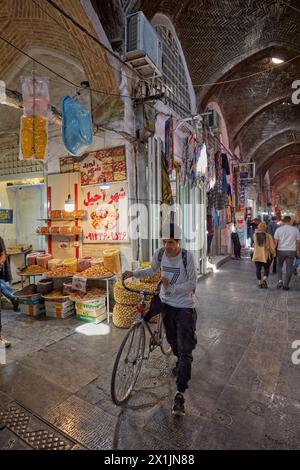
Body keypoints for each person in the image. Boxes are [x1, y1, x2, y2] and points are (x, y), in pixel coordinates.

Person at [123, 222, 197, 417]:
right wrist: (133, 273)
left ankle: (180, 394)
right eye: (164, 241)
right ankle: (178, 360)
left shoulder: (186, 257)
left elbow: (192, 283)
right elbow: (151, 270)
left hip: (183, 307)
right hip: (165, 303)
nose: (167, 246)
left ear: (178, 241)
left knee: (184, 349)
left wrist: (171, 288)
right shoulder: (159, 253)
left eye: (170, 242)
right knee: (172, 342)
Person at [274, 216, 300, 290]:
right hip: (291, 251)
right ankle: (286, 285)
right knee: (289, 268)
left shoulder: (278, 229)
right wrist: (298, 252)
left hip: (280, 250)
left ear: (283, 221)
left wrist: (273, 251)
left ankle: (280, 281)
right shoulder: (295, 230)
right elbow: (298, 243)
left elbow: (275, 242)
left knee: (279, 266)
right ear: (290, 221)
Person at [252, 222, 276, 288]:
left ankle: (259, 283)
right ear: (265, 228)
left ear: (258, 227)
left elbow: (254, 243)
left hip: (257, 255)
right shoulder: (268, 236)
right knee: (266, 268)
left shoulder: (255, 235)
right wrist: (274, 254)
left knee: (258, 269)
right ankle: (264, 279)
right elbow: (272, 247)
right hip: (265, 256)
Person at [0, 237, 19, 311]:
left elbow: (3, 255)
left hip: (1, 267)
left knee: (3, 285)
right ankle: (14, 298)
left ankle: (14, 298)